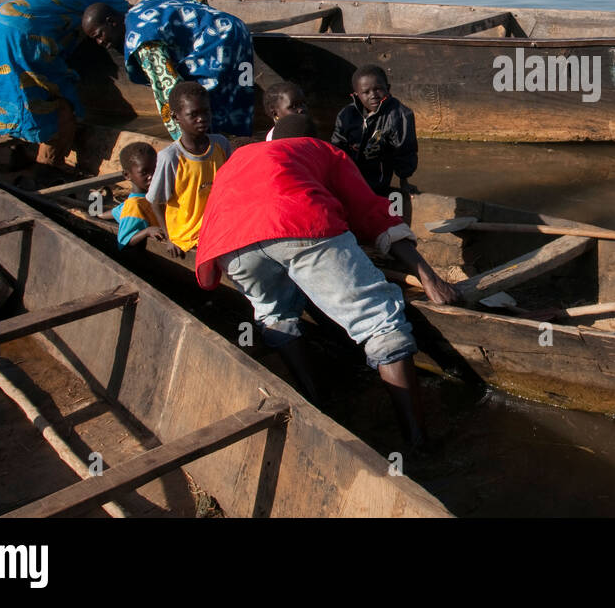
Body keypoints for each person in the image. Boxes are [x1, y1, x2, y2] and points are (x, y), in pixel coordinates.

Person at [194, 114, 459, 446]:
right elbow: (371, 213)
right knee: (380, 322)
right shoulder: (326, 152)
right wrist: (430, 278)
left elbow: (222, 212)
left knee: (275, 314)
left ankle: (316, 400)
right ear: (315, 139)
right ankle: (418, 440)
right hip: (297, 224)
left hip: (230, 244)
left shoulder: (241, 157)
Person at [0, 0, 127, 166]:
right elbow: (130, 14)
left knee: (7, 86)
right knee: (59, 98)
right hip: (25, 34)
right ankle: (49, 165)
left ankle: (17, 144)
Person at [82, 0, 254, 139]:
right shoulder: (143, 6)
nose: (99, 43)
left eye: (99, 35)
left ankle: (214, 146)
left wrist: (183, 138)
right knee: (239, 90)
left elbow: (167, 88)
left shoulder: (143, 42)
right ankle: (240, 139)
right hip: (237, 27)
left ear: (111, 22)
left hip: (218, 45)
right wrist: (199, 23)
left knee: (199, 100)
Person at [147, 81, 231, 256]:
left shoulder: (221, 144)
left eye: (206, 112)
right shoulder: (171, 157)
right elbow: (156, 202)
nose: (202, 119)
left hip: (217, 228)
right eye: (193, 114)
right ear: (176, 117)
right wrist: (169, 238)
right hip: (186, 236)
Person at [330, 65, 418, 197]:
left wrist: (404, 181)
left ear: (387, 89)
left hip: (378, 182)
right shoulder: (346, 115)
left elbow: (405, 151)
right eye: (366, 92)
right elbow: (336, 147)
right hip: (349, 177)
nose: (373, 95)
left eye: (378, 89)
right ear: (357, 95)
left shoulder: (400, 115)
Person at [113, 141, 169, 250]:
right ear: (127, 175)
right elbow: (123, 242)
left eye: (155, 170)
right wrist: (147, 231)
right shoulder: (134, 205)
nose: (152, 176)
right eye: (144, 173)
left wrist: (98, 215)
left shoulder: (148, 196)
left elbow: (118, 210)